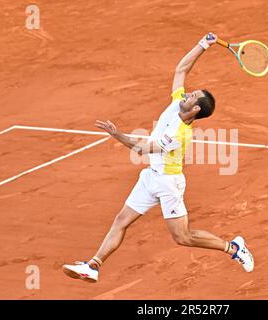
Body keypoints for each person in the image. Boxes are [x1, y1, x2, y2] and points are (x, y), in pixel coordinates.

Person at [62, 33, 254, 283]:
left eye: (192, 96)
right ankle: (93, 265)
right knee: (121, 220)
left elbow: (142, 148)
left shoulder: (179, 134)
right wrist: (202, 45)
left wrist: (116, 134)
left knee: (182, 237)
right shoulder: (178, 104)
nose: (187, 94)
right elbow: (181, 70)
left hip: (168, 184)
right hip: (151, 177)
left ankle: (234, 248)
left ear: (195, 110)